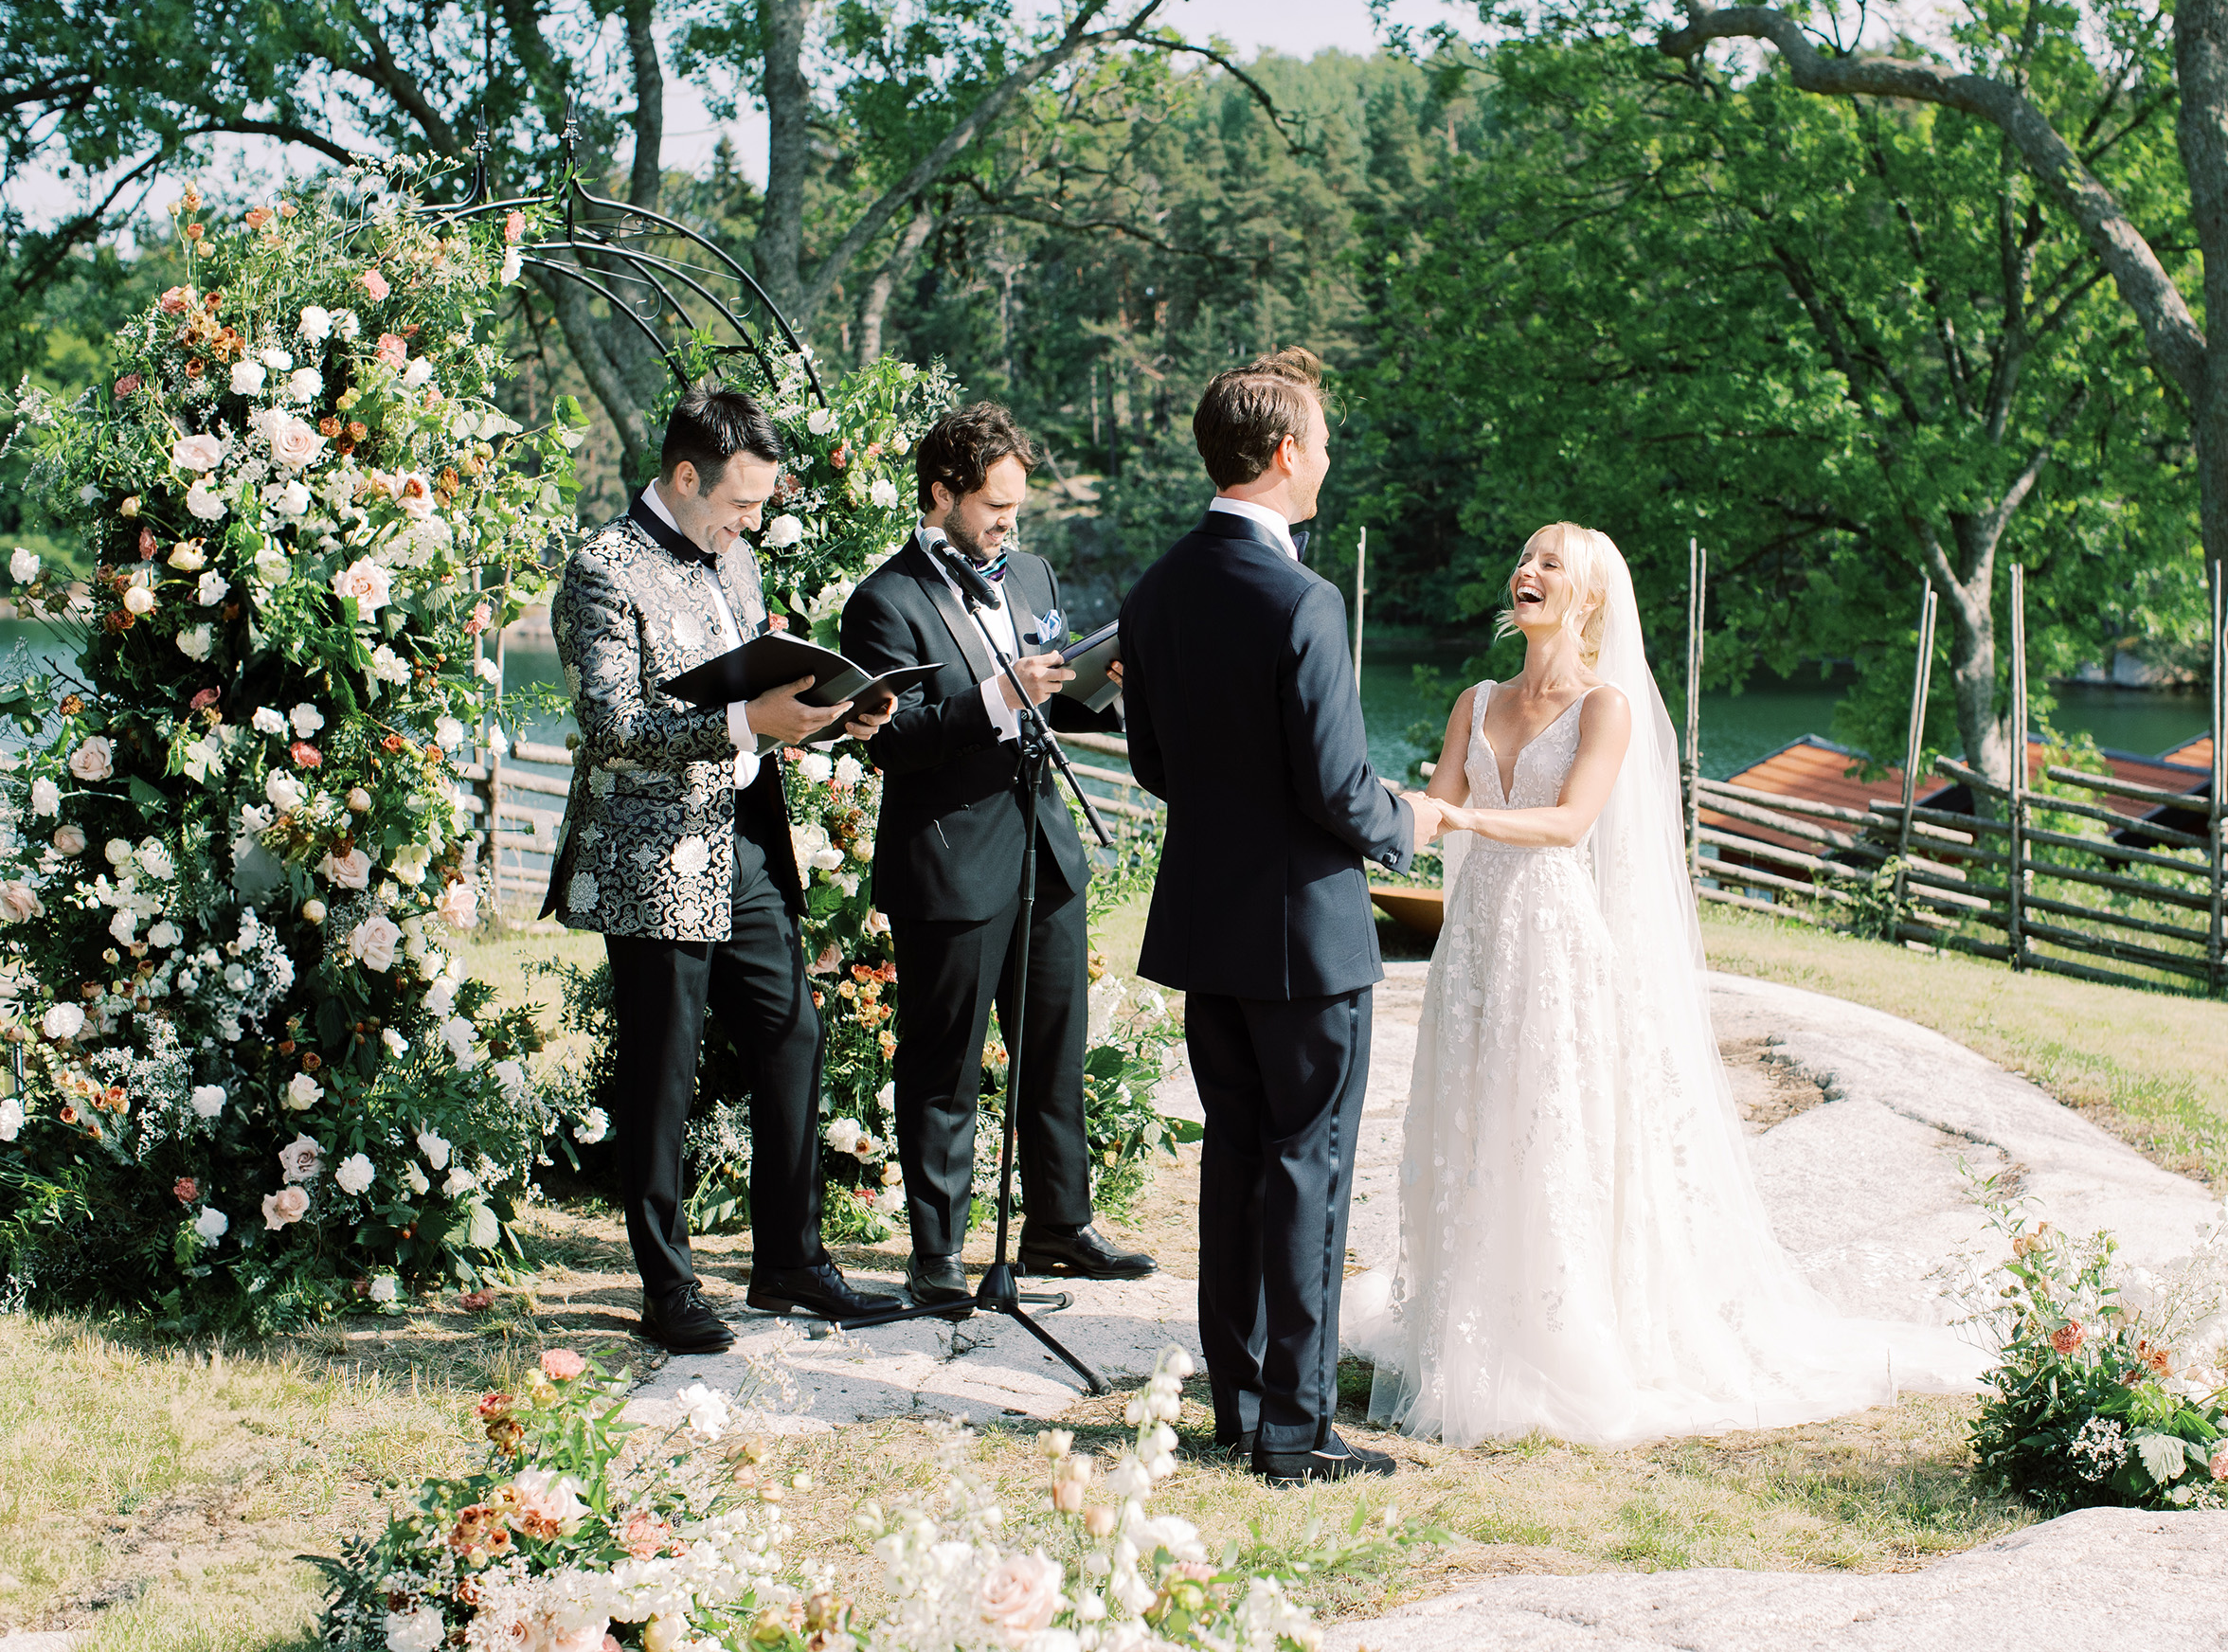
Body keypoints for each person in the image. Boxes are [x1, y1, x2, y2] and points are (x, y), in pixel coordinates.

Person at [1351, 523, 1981, 1446]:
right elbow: (1431, 812)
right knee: (1469, 1112)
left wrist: (1457, 811)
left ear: (1590, 596)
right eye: (1523, 558)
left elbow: (1567, 824)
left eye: (1549, 563)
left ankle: (1557, 1331)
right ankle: (1465, 1316)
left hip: (1553, 938)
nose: (1526, 572)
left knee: (1547, 1120)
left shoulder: (1606, 708)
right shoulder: (1472, 700)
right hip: (1475, 937)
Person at [1119, 349, 1443, 1484]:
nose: (1326, 464)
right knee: (1310, 1167)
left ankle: (1238, 1401)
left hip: (1210, 926)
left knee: (1237, 1163)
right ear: (1286, 452)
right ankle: (1295, 1437)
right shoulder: (1300, 598)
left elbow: (1154, 762)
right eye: (1321, 444)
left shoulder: (1154, 590)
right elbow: (1340, 791)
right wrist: (1415, 822)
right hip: (1307, 932)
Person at [545, 387, 901, 1355]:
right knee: (662, 1072)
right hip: (653, 856)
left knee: (792, 1037)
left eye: (760, 506)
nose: (752, 522)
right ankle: (668, 1287)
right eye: (740, 502)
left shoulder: (735, 561)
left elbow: (750, 695)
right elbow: (615, 729)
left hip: (745, 835)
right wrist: (749, 722)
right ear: (686, 475)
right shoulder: (599, 570)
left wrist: (825, 716)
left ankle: (790, 1262)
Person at [839, 403, 1156, 1313]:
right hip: (949, 859)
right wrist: (995, 695)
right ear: (942, 494)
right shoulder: (884, 601)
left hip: (1043, 851)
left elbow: (1052, 701)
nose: (1010, 527)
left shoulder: (1031, 574)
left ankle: (1061, 1224)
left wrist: (1101, 683)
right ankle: (936, 1251)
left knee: (1056, 1047)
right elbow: (891, 745)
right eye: (994, 509)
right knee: (944, 1062)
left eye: (1018, 509)